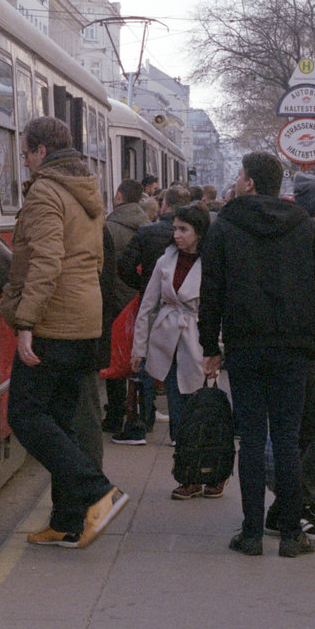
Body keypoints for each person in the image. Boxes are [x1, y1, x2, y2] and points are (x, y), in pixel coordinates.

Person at [199, 152, 315, 558]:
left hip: (246, 346)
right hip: (295, 348)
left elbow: (211, 290)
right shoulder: (302, 226)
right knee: (287, 438)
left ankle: (250, 535)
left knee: (251, 439)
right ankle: (291, 535)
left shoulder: (225, 224)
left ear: (248, 182)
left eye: (242, 173)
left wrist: (209, 346)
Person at [1, 116, 127, 548]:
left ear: (39, 151)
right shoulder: (86, 190)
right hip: (85, 320)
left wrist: (26, 323)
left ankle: (98, 491)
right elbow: (91, 261)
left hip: (54, 321)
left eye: (24, 155)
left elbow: (46, 261)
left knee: (25, 415)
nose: (25, 164)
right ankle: (68, 520)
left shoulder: (45, 192)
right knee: (62, 420)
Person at [262, 172, 315, 542]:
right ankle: (292, 508)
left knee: (305, 431)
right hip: (305, 349)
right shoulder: (309, 241)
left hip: (301, 346)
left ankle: (289, 508)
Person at [129, 203, 211, 497]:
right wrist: (138, 349)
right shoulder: (166, 260)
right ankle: (189, 475)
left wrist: (218, 348)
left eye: (183, 229)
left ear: (199, 233)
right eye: (175, 228)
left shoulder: (213, 261)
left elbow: (222, 308)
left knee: (203, 411)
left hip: (200, 342)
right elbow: (147, 305)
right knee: (180, 412)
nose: (176, 235)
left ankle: (212, 470)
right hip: (168, 343)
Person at [116, 184, 192, 442]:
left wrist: (142, 286)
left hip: (153, 304)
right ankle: (178, 428)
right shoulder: (194, 238)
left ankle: (141, 422)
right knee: (178, 366)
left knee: (147, 362)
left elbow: (124, 266)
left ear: (164, 205)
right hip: (182, 309)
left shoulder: (147, 232)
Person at [99, 179, 148, 434]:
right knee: (139, 357)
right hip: (140, 302)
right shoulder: (149, 226)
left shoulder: (108, 227)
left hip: (115, 301)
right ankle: (143, 414)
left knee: (114, 359)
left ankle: (115, 412)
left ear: (118, 196)